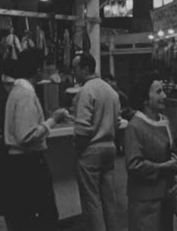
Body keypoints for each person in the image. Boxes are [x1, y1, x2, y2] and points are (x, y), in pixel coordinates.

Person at [0, 48, 68, 231]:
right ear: (38, 70)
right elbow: (25, 136)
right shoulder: (25, 93)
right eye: (45, 67)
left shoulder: (18, 91)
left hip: (19, 163)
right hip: (27, 164)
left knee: (23, 219)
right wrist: (52, 120)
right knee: (41, 219)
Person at [124, 71, 177, 231]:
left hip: (165, 196)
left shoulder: (164, 121)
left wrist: (175, 160)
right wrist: (164, 167)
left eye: (163, 90)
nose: (164, 95)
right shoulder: (134, 127)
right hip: (145, 202)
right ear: (145, 99)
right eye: (158, 92)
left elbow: (166, 151)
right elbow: (134, 165)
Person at [72, 52, 119, 231]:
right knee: (109, 199)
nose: (73, 72)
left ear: (85, 69)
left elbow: (83, 128)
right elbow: (116, 121)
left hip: (91, 150)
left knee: (91, 201)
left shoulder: (86, 90)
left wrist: (78, 150)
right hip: (109, 148)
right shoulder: (110, 91)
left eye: (75, 68)